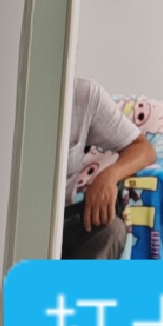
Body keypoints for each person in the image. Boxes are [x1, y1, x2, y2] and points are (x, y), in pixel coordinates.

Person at [62, 77, 156, 259]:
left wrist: (110, 175)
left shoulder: (83, 95)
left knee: (112, 230)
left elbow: (144, 149)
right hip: (13, 222)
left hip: (61, 225)